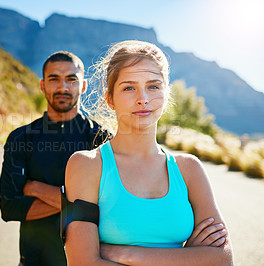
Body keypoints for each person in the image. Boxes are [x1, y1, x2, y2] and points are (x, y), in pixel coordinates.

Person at [64, 40, 233, 265]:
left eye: (153, 86)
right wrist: (188, 258)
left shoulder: (188, 168)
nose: (143, 98)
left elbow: (222, 259)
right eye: (129, 87)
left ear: (165, 93)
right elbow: (83, 263)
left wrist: (126, 254)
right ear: (110, 99)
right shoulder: (87, 165)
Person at [0, 51, 107, 266]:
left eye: (71, 79)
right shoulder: (20, 138)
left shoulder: (101, 139)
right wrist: (81, 205)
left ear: (83, 86)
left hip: (90, 261)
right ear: (42, 85)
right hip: (34, 260)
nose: (63, 88)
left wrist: (36, 188)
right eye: (54, 79)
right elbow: (9, 208)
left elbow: (107, 207)